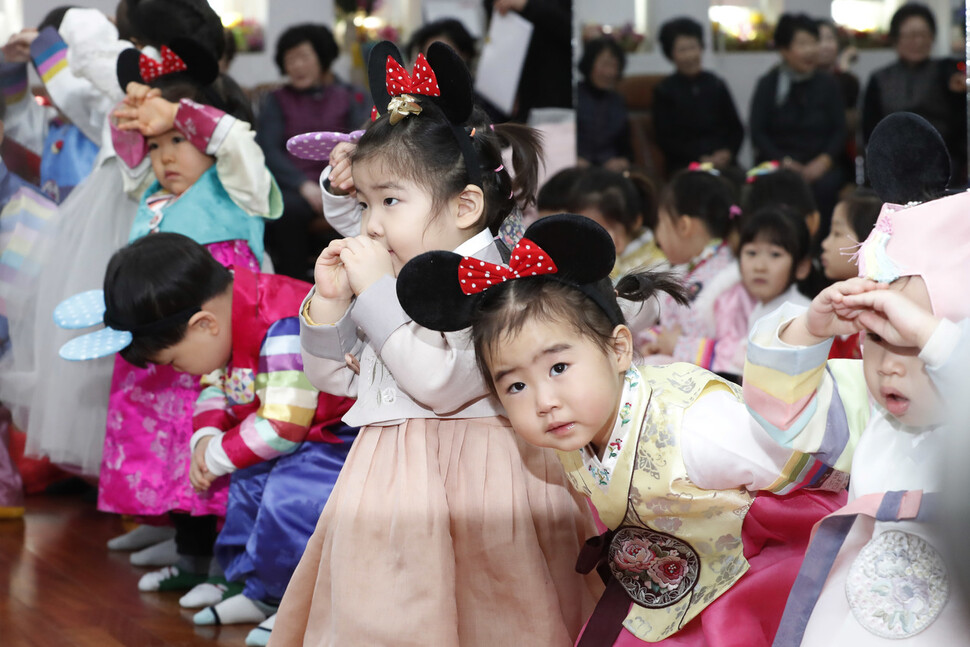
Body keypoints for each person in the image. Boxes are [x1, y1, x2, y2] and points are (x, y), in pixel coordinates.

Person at [269, 41, 599, 645]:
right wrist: (330, 304)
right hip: (388, 478)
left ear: (465, 205)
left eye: (389, 201)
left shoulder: (497, 277)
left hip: (484, 477)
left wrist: (372, 293)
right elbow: (335, 380)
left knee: (497, 616)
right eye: (364, 203)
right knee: (386, 618)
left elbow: (439, 384)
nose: (370, 222)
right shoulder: (400, 268)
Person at [395, 213, 846, 646]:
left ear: (618, 349)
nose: (543, 401)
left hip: (756, 573)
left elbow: (811, 479)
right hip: (670, 587)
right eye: (514, 384)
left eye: (558, 366)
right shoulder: (577, 426)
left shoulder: (696, 426)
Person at [59, 232, 356, 646]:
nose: (181, 372)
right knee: (247, 485)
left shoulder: (282, 322)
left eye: (176, 360)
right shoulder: (225, 319)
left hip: (337, 438)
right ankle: (253, 586)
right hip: (292, 435)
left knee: (290, 498)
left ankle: (290, 598)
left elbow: (284, 426)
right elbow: (217, 384)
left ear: (204, 324)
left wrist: (219, 454)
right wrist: (206, 435)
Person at [746, 113, 970, 645]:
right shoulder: (871, 413)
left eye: (914, 344)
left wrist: (935, 336)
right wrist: (808, 327)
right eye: (876, 339)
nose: (888, 364)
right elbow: (783, 414)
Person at [0, 0, 227, 483]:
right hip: (108, 232)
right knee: (133, 369)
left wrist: (53, 33)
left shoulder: (130, 83)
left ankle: (169, 495)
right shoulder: (109, 99)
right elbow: (47, 99)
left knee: (154, 362)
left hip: (136, 231)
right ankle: (142, 489)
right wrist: (32, 53)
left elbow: (76, 56)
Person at [96, 36, 283, 589]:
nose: (166, 157)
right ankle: (189, 557)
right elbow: (128, 157)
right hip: (165, 356)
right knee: (171, 452)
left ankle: (232, 565)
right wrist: (134, 118)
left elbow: (237, 144)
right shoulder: (153, 194)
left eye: (179, 140)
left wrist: (178, 110)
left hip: (220, 352)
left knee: (220, 444)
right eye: (156, 146)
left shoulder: (239, 188)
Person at [256, 23, 368, 279]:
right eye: (290, 60)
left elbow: (364, 142)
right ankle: (292, 281)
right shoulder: (276, 100)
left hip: (344, 181)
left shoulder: (350, 96)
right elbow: (268, 149)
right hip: (295, 188)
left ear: (322, 57)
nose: (296, 66)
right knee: (286, 210)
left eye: (304, 57)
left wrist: (338, 184)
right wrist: (303, 185)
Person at [749, 13, 846, 230]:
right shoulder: (768, 84)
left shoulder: (828, 84)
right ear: (783, 50)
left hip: (820, 165)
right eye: (802, 44)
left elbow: (839, 130)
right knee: (775, 188)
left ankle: (820, 253)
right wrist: (784, 162)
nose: (811, 50)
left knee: (826, 186)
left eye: (813, 42)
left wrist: (823, 162)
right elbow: (758, 132)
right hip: (779, 164)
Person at [641, 166, 738, 365]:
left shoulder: (731, 277)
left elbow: (739, 352)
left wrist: (679, 346)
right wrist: (656, 342)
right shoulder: (691, 267)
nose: (658, 237)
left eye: (660, 222)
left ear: (684, 225)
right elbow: (671, 328)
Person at [862, 3, 966, 182]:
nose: (918, 42)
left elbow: (961, 124)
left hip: (943, 160)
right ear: (895, 39)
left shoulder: (945, 71)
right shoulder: (879, 79)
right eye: (910, 36)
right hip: (893, 161)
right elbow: (869, 129)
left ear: (932, 37)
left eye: (923, 35)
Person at [709, 205, 811, 379]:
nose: (759, 266)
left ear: (801, 267)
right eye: (751, 253)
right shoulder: (759, 308)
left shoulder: (800, 314)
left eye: (775, 255)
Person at [653, 17, 744, 174]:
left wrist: (727, 152)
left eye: (693, 47)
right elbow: (666, 139)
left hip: (724, 163)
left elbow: (736, 129)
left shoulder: (716, 83)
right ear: (671, 54)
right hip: (686, 165)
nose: (690, 55)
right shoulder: (664, 90)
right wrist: (700, 158)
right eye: (682, 50)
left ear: (701, 48)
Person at [820, 189, 882, 359]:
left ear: (869, 241)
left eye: (837, 233)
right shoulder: (826, 305)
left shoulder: (879, 319)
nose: (825, 244)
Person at [576, 36, 632, 172]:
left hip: (610, 172)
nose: (609, 72)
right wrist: (572, 158)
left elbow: (627, 150)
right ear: (589, 64)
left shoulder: (618, 101)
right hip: (577, 170)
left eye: (614, 66)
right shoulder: (572, 97)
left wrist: (622, 161)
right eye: (605, 64)